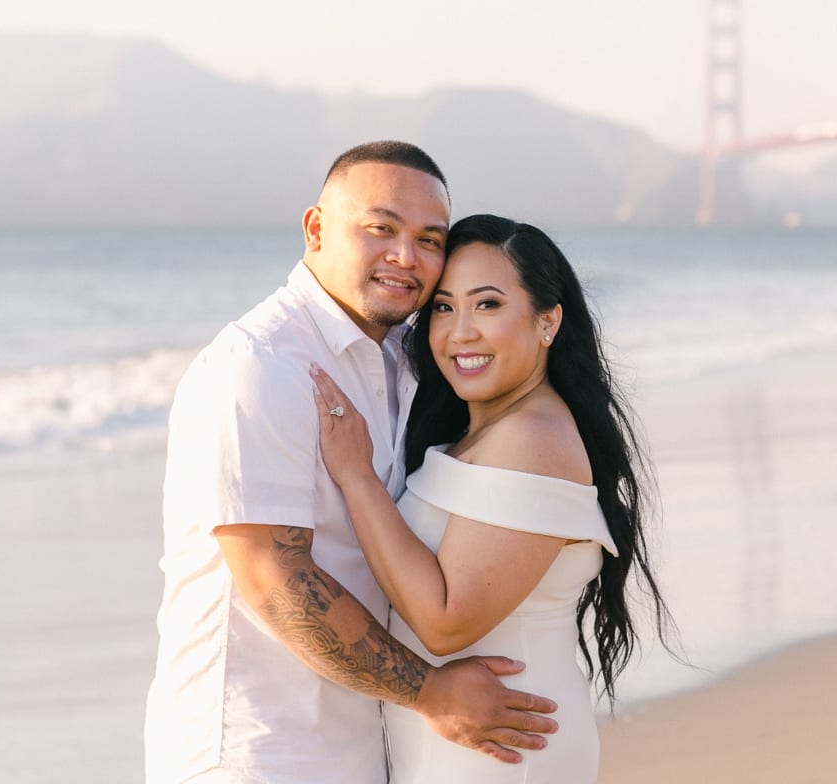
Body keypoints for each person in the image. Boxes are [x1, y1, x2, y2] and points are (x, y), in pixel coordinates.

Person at [144, 143, 558, 784]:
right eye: (381, 229)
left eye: (428, 239)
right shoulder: (261, 366)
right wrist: (433, 693)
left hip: (355, 750)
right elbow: (271, 576)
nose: (405, 257)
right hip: (256, 752)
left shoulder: (401, 360)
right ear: (315, 229)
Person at [310, 213, 673, 783]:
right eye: (444, 307)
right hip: (470, 745)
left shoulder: (535, 438)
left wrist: (356, 477)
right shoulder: (482, 434)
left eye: (488, 305)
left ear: (547, 321)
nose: (460, 333)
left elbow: (445, 623)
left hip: (504, 755)